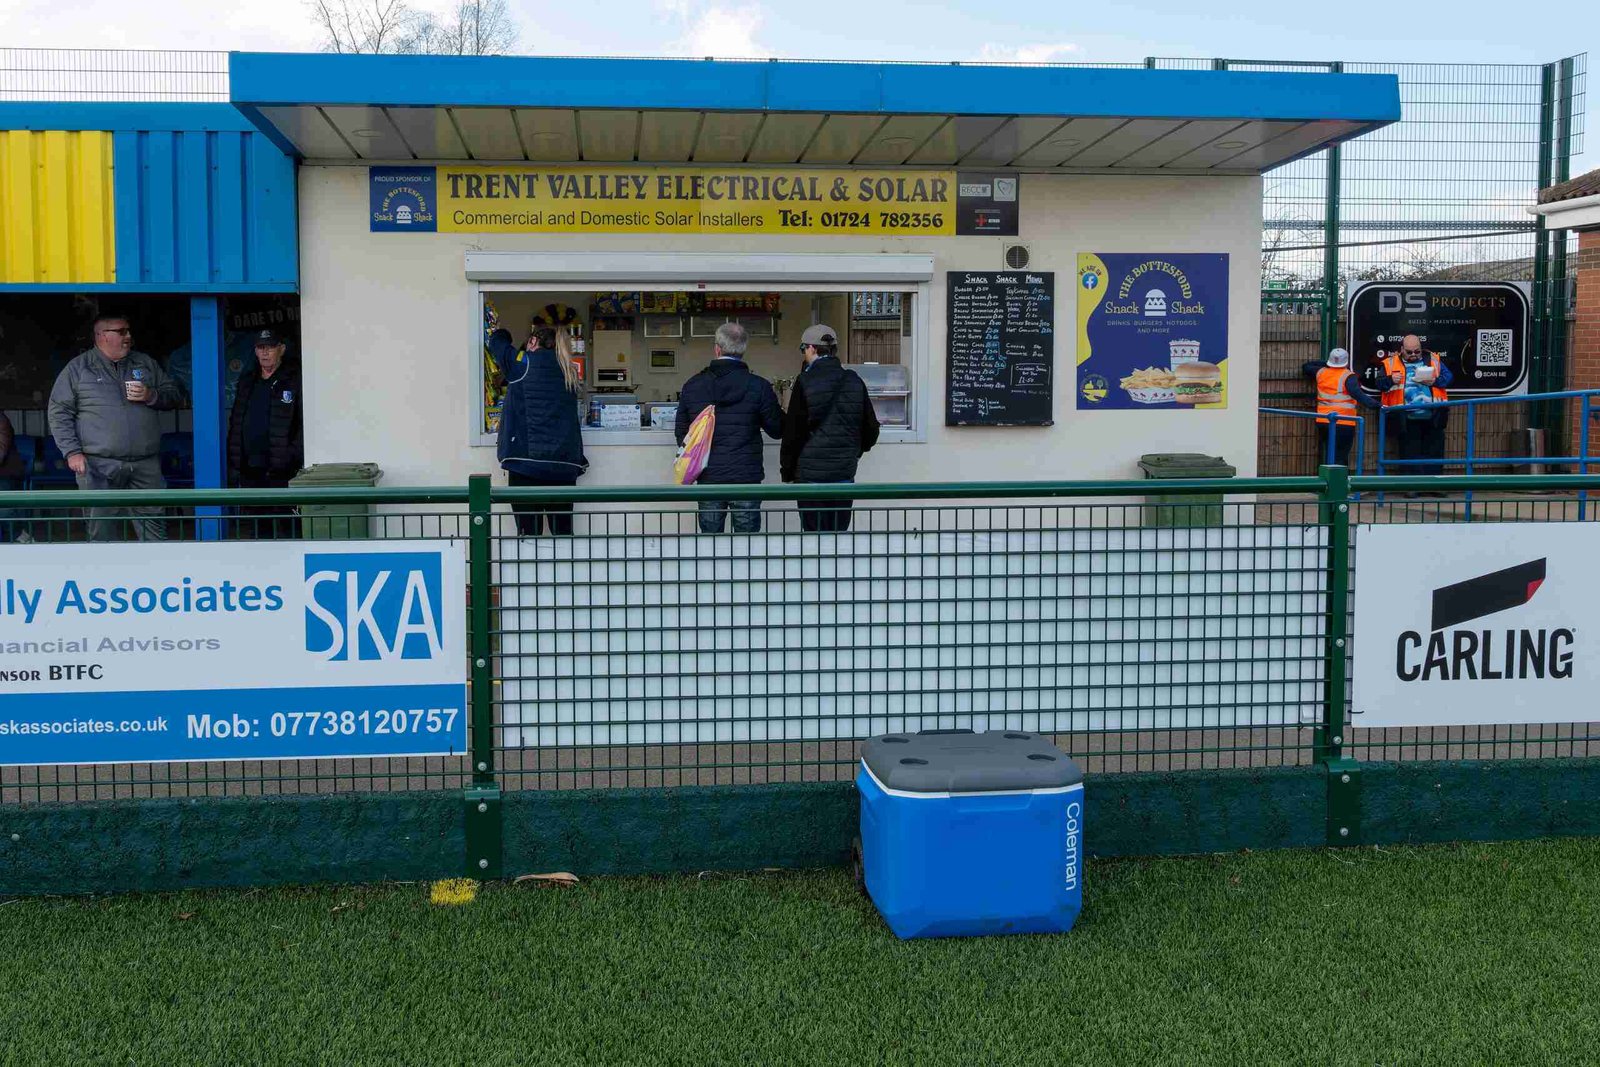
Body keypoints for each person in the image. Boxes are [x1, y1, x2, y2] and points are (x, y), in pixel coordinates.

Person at [48, 315, 182, 542]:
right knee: (101, 532)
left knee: (154, 532)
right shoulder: (79, 368)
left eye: (128, 331)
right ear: (102, 336)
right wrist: (72, 452)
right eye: (121, 332)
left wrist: (151, 395)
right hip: (98, 465)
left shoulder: (144, 363)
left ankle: (156, 566)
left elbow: (175, 395)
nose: (128, 336)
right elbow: (58, 412)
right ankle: (104, 567)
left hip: (145, 463)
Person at [675, 322, 783, 533]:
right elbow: (777, 429)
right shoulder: (759, 386)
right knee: (747, 543)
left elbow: (682, 431)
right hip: (746, 477)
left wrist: (699, 456)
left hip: (709, 476)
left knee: (711, 542)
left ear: (717, 349)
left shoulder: (693, 385)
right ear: (743, 349)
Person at [780, 323, 880, 532]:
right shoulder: (853, 380)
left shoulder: (805, 381)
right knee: (838, 535)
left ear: (812, 348)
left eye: (803, 349)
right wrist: (854, 452)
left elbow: (793, 433)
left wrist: (788, 471)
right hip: (843, 473)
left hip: (810, 477)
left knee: (814, 536)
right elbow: (871, 429)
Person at [497, 323, 587, 536]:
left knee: (529, 536)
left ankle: (530, 559)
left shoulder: (522, 363)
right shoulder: (569, 370)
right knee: (563, 533)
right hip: (564, 465)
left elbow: (497, 343)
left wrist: (502, 330)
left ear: (533, 341)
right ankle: (566, 559)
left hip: (525, 464)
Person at [227, 329, 304, 538]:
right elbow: (236, 422)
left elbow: (303, 424)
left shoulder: (294, 380)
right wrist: (236, 460)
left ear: (281, 349)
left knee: (290, 529)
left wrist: (290, 456)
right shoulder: (248, 380)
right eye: (261, 347)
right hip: (251, 470)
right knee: (259, 530)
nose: (265, 352)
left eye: (270, 347)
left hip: (283, 471)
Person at [1379, 334, 1453, 480]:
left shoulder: (1433, 359)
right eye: (1409, 352)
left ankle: (1433, 485)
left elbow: (1449, 377)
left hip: (1433, 416)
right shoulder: (1390, 363)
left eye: (1417, 351)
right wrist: (1390, 379)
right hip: (1405, 418)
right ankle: (1411, 486)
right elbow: (1379, 383)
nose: (1413, 355)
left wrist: (1434, 381)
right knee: (1409, 455)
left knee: (1434, 454)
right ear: (1402, 349)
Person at [1301, 347, 1379, 469]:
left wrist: (1328, 362)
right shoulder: (1348, 376)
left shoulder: (1321, 372)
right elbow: (1358, 395)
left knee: (1329, 454)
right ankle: (1338, 481)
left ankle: (1328, 479)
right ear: (1346, 362)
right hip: (1344, 422)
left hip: (1323, 421)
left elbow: (1306, 366)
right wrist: (1377, 405)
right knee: (1340, 456)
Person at [0, 411, 25, 543]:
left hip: (5, 473)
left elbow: (1, 451)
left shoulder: (1, 420)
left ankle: (20, 538)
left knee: (5, 510)